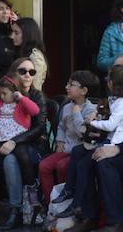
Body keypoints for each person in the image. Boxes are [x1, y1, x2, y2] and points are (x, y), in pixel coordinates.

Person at [62, 64, 123, 232]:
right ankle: (86, 214)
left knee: (101, 162)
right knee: (81, 152)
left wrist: (117, 149)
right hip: (114, 140)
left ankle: (117, 222)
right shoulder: (113, 100)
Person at [0, 57, 49, 230]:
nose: (28, 75)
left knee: (10, 160)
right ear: (13, 74)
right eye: (22, 71)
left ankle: (15, 210)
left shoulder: (36, 96)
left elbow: (40, 127)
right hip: (2, 144)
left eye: (32, 72)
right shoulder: (3, 98)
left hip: (29, 147)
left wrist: (14, 141)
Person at [38, 70, 99, 205]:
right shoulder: (66, 107)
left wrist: (77, 114)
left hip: (80, 150)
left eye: (72, 84)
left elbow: (82, 133)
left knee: (62, 166)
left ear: (84, 91)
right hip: (65, 148)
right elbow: (61, 126)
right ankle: (52, 204)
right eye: (68, 83)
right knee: (44, 166)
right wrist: (59, 140)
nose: (67, 87)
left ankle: (67, 202)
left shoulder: (91, 110)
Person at [10, 17, 48, 91]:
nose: (12, 36)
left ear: (27, 34)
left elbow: (34, 86)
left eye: (16, 33)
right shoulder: (19, 52)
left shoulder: (35, 57)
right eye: (12, 32)